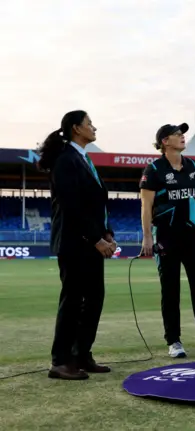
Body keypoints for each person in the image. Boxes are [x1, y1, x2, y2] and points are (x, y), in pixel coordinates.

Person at [36, 110, 116, 380]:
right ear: (75, 129)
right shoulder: (65, 159)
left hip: (91, 241)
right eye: (90, 124)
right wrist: (94, 238)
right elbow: (72, 206)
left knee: (93, 300)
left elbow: (95, 205)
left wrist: (106, 233)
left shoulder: (83, 159)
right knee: (73, 301)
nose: (95, 128)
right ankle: (60, 361)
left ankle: (82, 354)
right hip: (75, 243)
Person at [139, 122, 195, 358]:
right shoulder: (154, 170)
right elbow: (146, 206)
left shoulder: (193, 166)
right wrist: (147, 236)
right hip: (167, 236)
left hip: (193, 234)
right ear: (164, 142)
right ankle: (174, 341)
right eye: (177, 134)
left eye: (182, 134)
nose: (182, 136)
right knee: (170, 290)